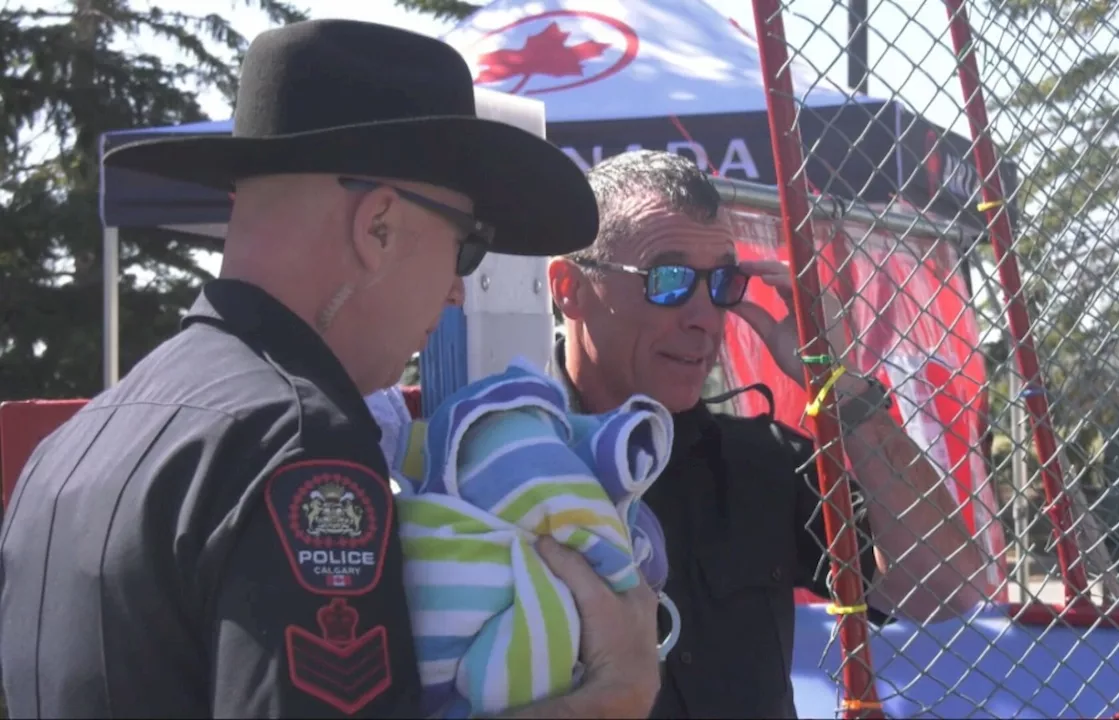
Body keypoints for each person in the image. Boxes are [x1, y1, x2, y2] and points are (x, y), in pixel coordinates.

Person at [0, 20, 660, 719]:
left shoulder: (71, 446)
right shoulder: (299, 444)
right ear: (377, 226)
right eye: (466, 246)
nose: (458, 288)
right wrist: (611, 695)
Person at [546, 150, 993, 718]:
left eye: (723, 282)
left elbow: (946, 584)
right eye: (669, 280)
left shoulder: (758, 463)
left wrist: (842, 388)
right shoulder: (499, 457)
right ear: (570, 287)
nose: (704, 316)